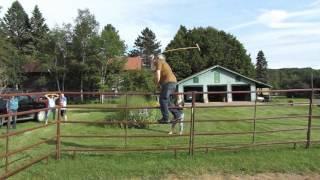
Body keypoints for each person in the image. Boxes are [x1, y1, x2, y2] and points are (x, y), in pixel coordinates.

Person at [153, 54, 182, 124]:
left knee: (163, 99)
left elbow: (158, 74)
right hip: (173, 83)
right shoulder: (164, 63)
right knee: (167, 102)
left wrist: (156, 84)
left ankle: (165, 118)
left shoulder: (160, 61)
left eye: (156, 58)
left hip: (168, 83)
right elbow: (154, 70)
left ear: (159, 58)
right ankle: (178, 115)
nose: (155, 60)